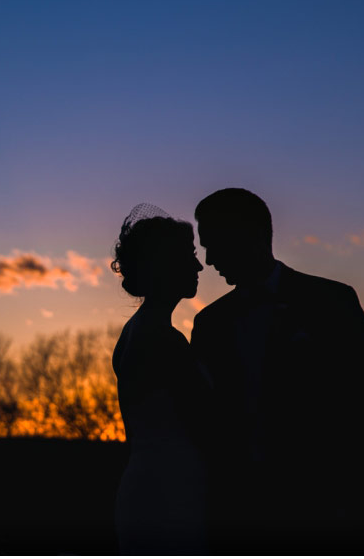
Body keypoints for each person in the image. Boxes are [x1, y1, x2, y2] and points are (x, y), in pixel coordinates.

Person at [190, 188, 364, 554]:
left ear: (250, 234)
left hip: (320, 508)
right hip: (237, 513)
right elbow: (203, 420)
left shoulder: (333, 301)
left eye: (214, 243)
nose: (209, 259)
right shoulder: (209, 324)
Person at [110, 203, 211, 555]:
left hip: (144, 487)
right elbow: (205, 424)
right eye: (189, 255)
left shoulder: (134, 331)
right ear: (164, 265)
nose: (199, 265)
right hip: (170, 496)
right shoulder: (163, 340)